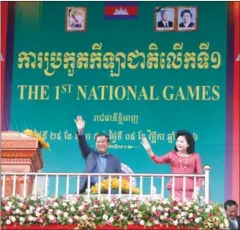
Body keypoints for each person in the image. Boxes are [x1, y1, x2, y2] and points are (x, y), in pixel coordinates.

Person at [141, 130, 203, 201]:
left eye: (182, 142)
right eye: (177, 141)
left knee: (188, 208)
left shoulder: (195, 156)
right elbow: (157, 160)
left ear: (188, 144)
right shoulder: (171, 154)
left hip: (189, 189)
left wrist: (197, 189)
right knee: (176, 208)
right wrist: (149, 150)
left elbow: (199, 175)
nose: (178, 143)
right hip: (175, 188)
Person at [74, 115, 121, 193]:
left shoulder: (115, 160)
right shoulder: (90, 154)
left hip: (107, 191)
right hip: (88, 189)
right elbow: (83, 144)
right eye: (98, 142)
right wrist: (80, 132)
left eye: (103, 142)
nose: (100, 144)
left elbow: (118, 178)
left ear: (108, 144)